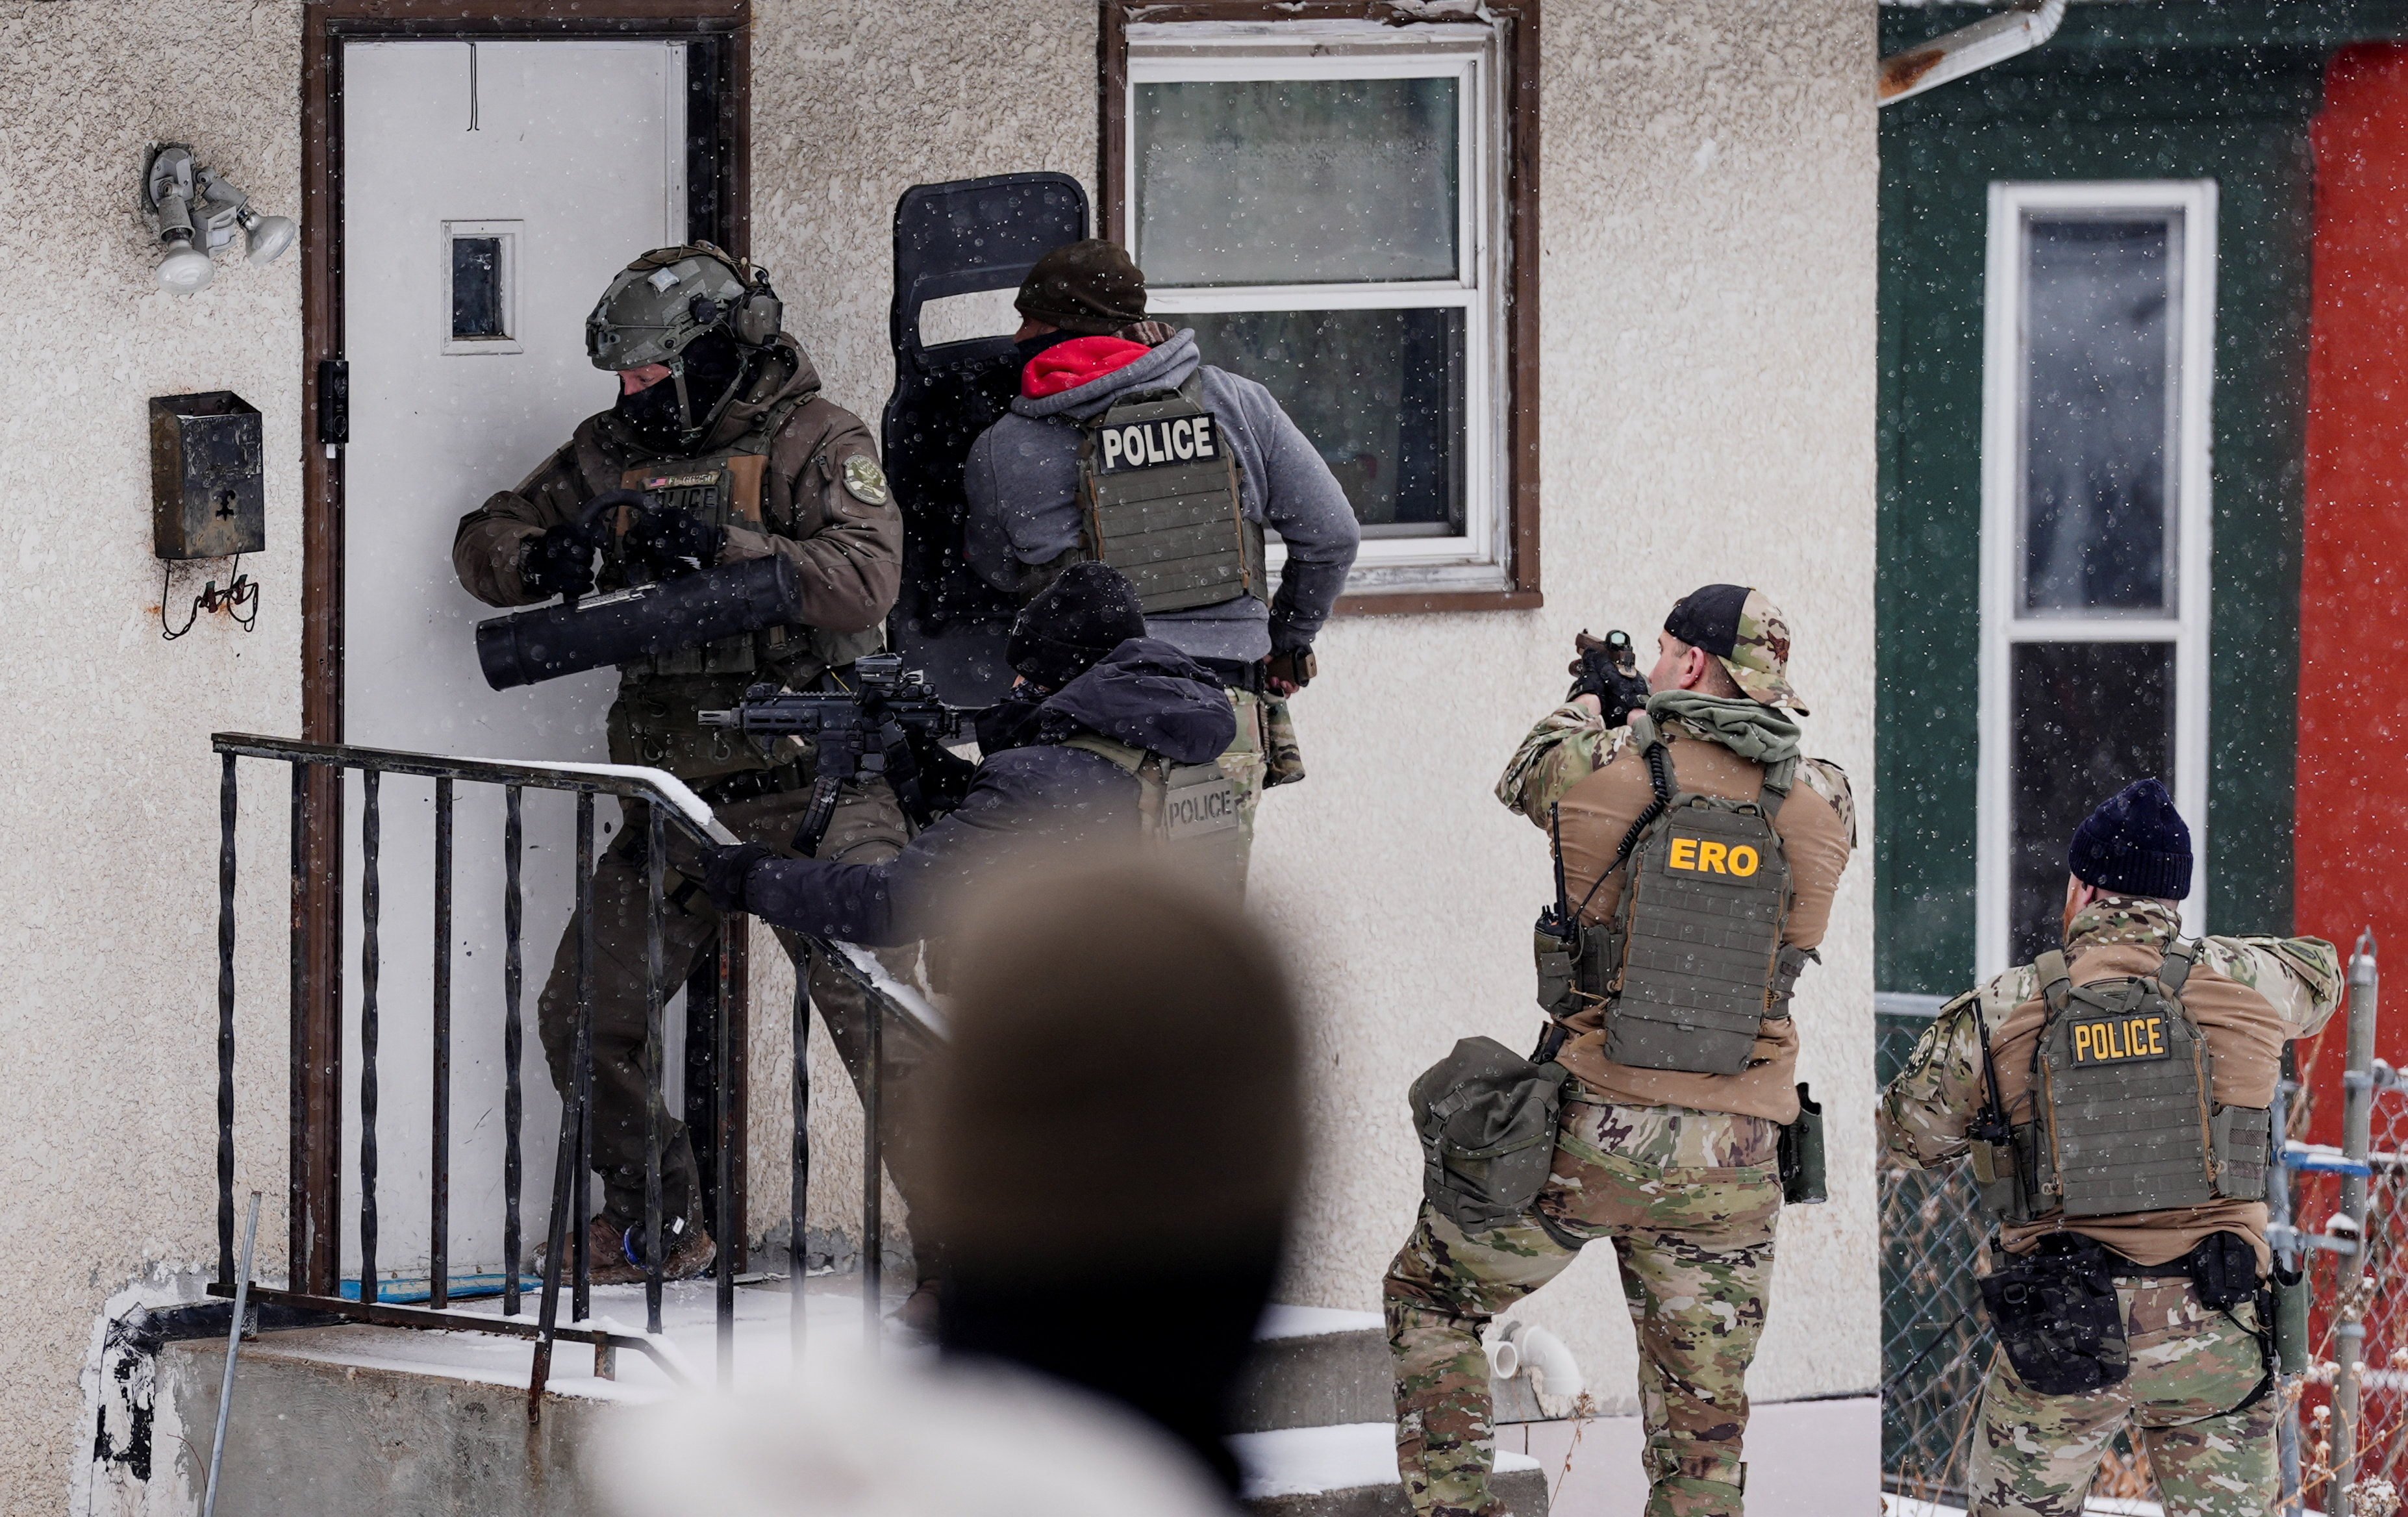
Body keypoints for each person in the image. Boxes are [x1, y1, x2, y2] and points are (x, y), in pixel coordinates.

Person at [452, 243, 928, 1288]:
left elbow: (865, 581)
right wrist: (551, 560)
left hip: (816, 786)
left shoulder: (814, 438)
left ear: (715, 355)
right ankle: (662, 1224)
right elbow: (485, 541)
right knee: (586, 1015)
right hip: (673, 800)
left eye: (647, 373)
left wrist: (723, 556)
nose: (628, 394)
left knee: (884, 1020)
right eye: (621, 377)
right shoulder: (614, 448)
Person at [1385, 584, 1857, 1517]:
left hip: (1591, 1133)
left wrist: (1603, 703)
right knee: (1702, 1422)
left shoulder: (1598, 763)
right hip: (1737, 1157)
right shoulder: (1825, 798)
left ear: (1685, 663)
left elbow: (1526, 771)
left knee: (1431, 1300)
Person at [1879, 779, 2340, 1517]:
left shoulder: (2002, 1008)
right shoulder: (2251, 983)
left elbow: (1908, 1131)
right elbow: (2325, 971)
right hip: (2215, 1332)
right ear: (2174, 897)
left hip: (2062, 1332)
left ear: (2082, 888)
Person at [960, 238, 1361, 879]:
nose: (1017, 336)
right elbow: (1332, 534)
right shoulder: (1237, 403)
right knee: (1190, 939)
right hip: (1218, 719)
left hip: (1085, 717)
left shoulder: (1003, 447)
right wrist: (1286, 639)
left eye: (1029, 320)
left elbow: (995, 570)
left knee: (1073, 936)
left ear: (1067, 324)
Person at [692, 562, 1238, 946]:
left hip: (1081, 1032)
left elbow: (890, 907)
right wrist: (938, 771)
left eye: (1028, 673)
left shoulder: (1041, 783)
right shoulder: (1178, 748)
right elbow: (1071, 817)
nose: (1017, 684)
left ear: (1062, 676)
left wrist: (752, 878)